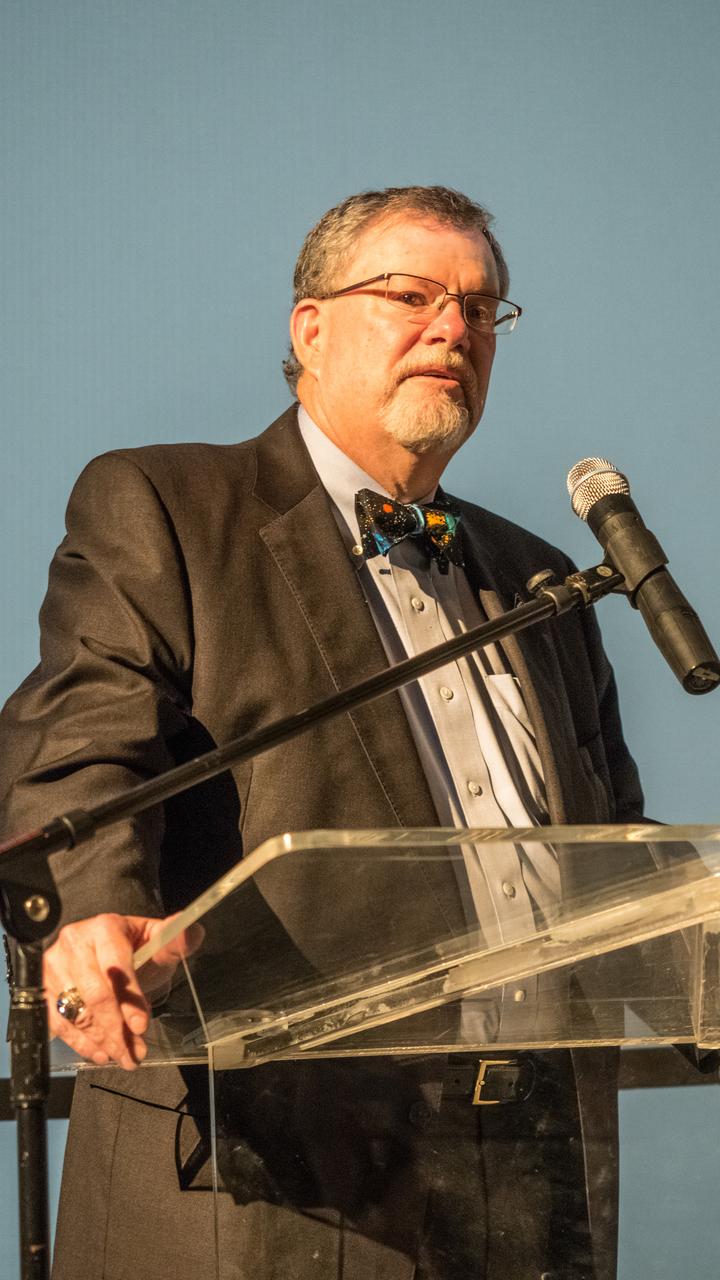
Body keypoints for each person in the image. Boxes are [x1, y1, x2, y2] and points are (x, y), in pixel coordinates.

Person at [0, 186, 644, 1279]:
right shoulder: (170, 504)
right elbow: (79, 745)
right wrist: (95, 911)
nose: (455, 329)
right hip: (265, 1176)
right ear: (309, 327)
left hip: (531, 1192)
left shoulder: (540, 576)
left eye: (483, 310)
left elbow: (619, 855)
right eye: (413, 296)